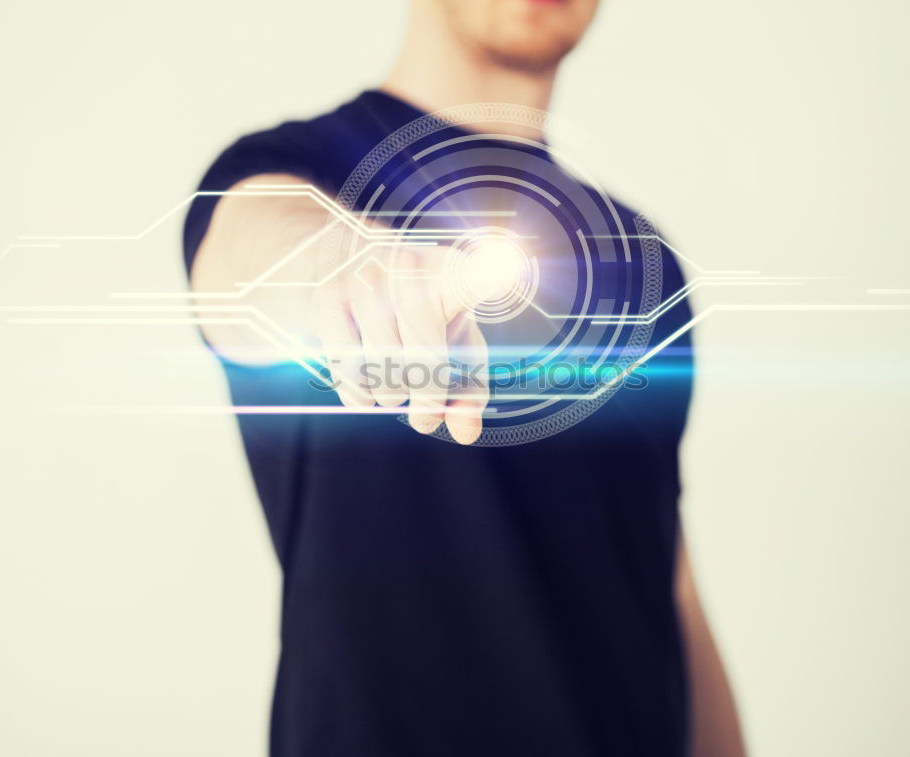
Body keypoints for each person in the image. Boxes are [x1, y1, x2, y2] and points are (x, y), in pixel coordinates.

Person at [184, 0, 745, 755]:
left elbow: (667, 575)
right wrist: (343, 265)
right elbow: (252, 254)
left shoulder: (645, 260)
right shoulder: (293, 175)